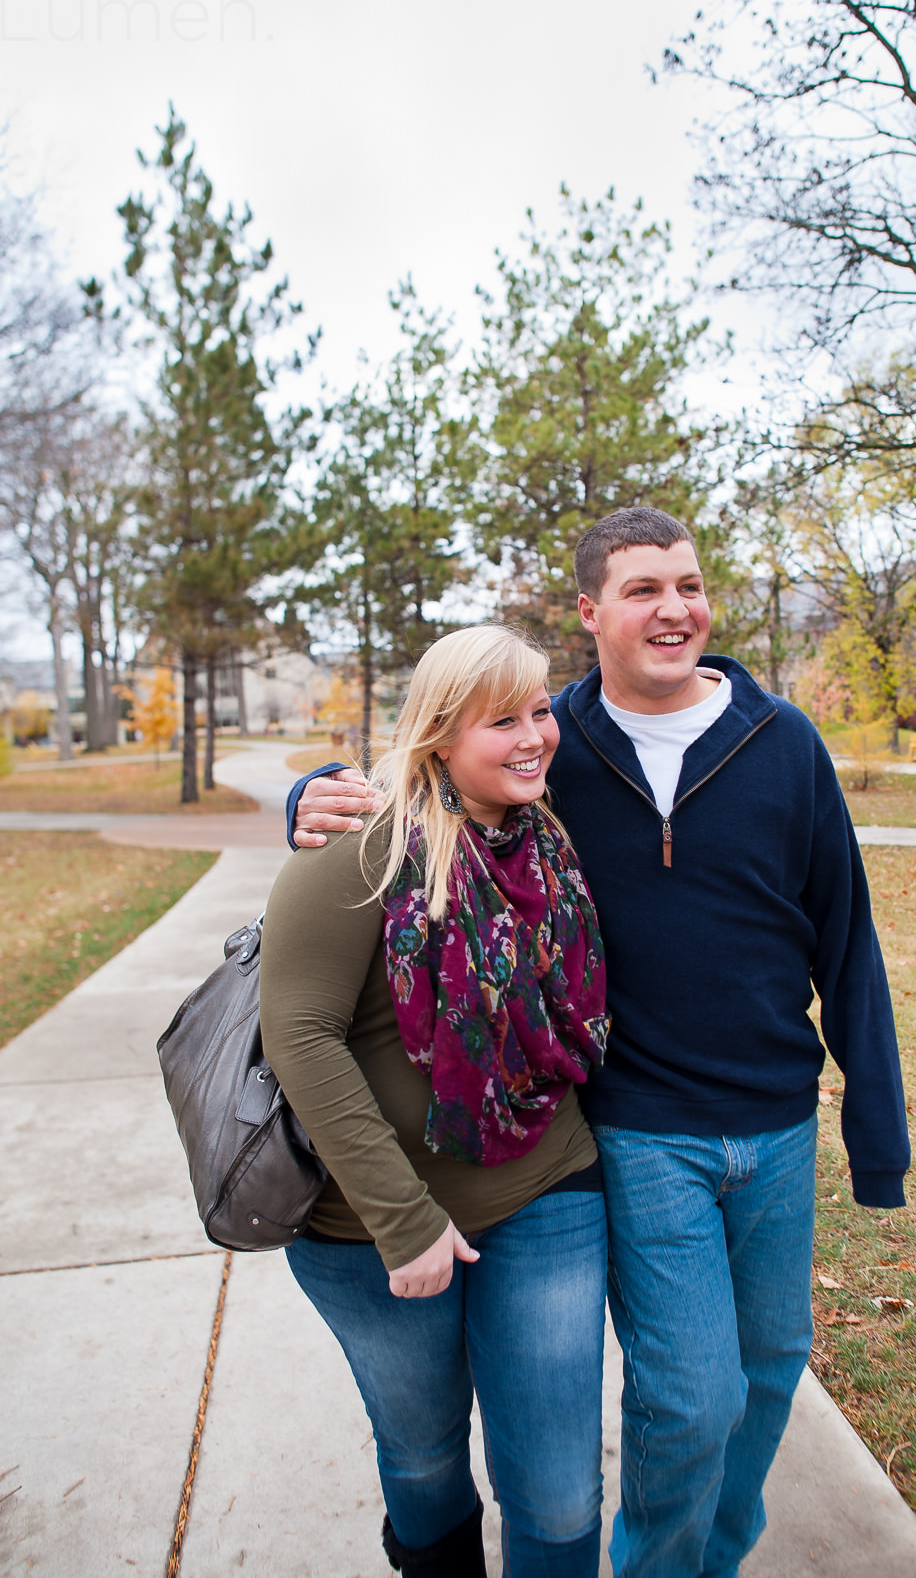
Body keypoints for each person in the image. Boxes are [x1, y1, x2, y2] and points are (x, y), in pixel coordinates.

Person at [287, 507, 911, 1578]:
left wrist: (878, 1132)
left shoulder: (779, 744)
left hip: (770, 1119)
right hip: (639, 1127)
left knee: (768, 1372)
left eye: (689, 584)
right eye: (642, 589)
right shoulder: (555, 741)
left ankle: (704, 1560)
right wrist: (310, 796)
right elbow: (426, 781)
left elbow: (847, 940)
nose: (675, 608)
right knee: (685, 1395)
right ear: (591, 613)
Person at [260, 624, 611, 1578]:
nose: (535, 735)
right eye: (502, 720)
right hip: (369, 1235)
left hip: (547, 1195)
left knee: (559, 1487)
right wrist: (402, 1221)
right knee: (422, 1462)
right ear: (437, 738)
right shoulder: (360, 854)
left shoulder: (547, 836)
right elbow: (299, 1036)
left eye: (540, 710)